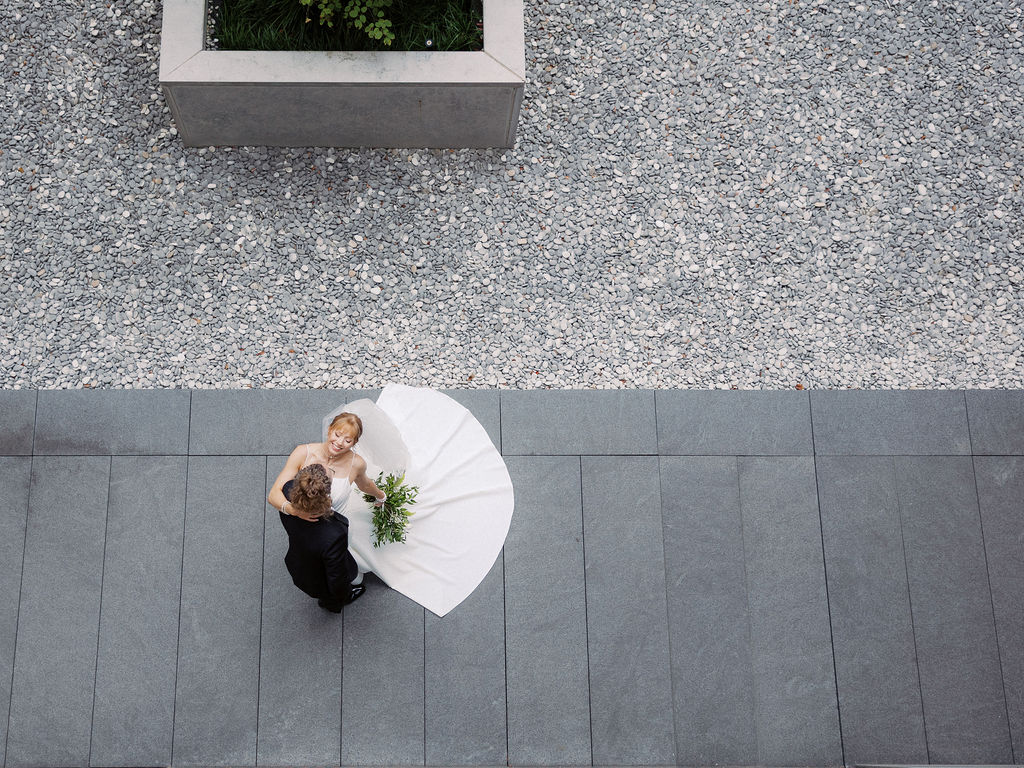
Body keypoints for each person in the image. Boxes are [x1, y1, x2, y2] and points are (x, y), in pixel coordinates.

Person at [274, 463, 365, 613]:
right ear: (326, 495)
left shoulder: (286, 491)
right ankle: (333, 604)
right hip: (319, 578)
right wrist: (343, 594)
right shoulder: (333, 535)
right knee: (332, 596)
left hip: (299, 562)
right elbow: (337, 576)